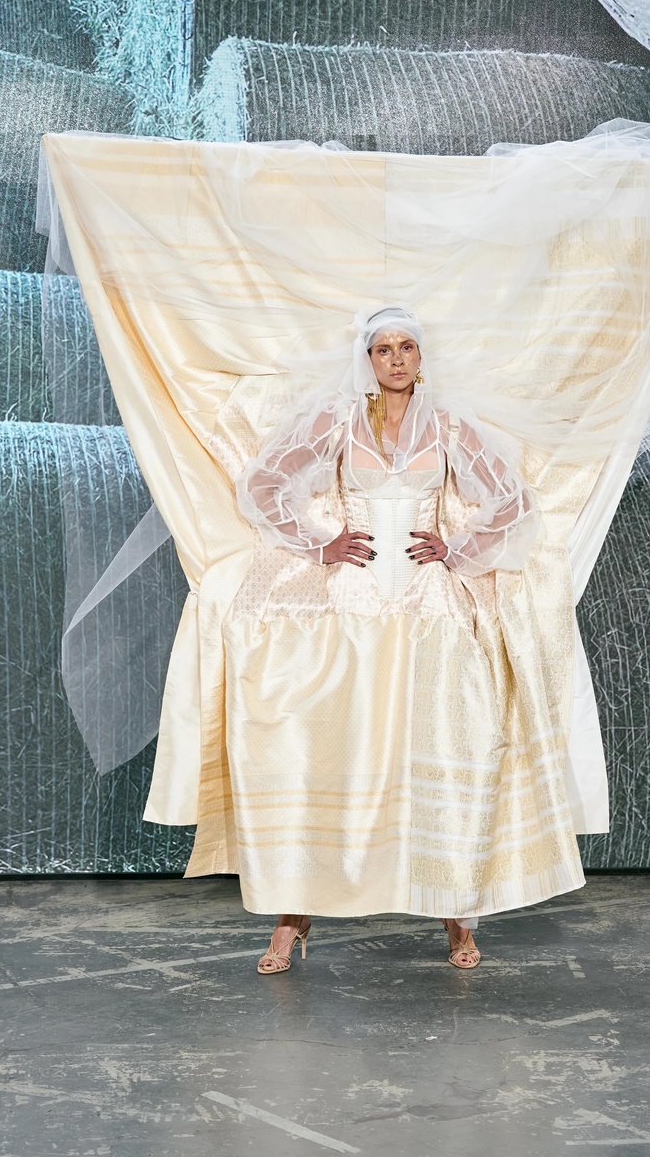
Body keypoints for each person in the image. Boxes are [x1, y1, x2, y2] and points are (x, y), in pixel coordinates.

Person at [234, 306, 540, 973]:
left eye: (406, 347)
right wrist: (323, 543)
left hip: (429, 602)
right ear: (367, 359)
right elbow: (262, 483)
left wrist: (457, 548)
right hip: (355, 602)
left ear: (421, 357)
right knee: (335, 751)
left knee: (442, 747)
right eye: (382, 349)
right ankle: (293, 919)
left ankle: (457, 914)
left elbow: (512, 500)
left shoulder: (449, 427)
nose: (396, 359)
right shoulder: (339, 420)